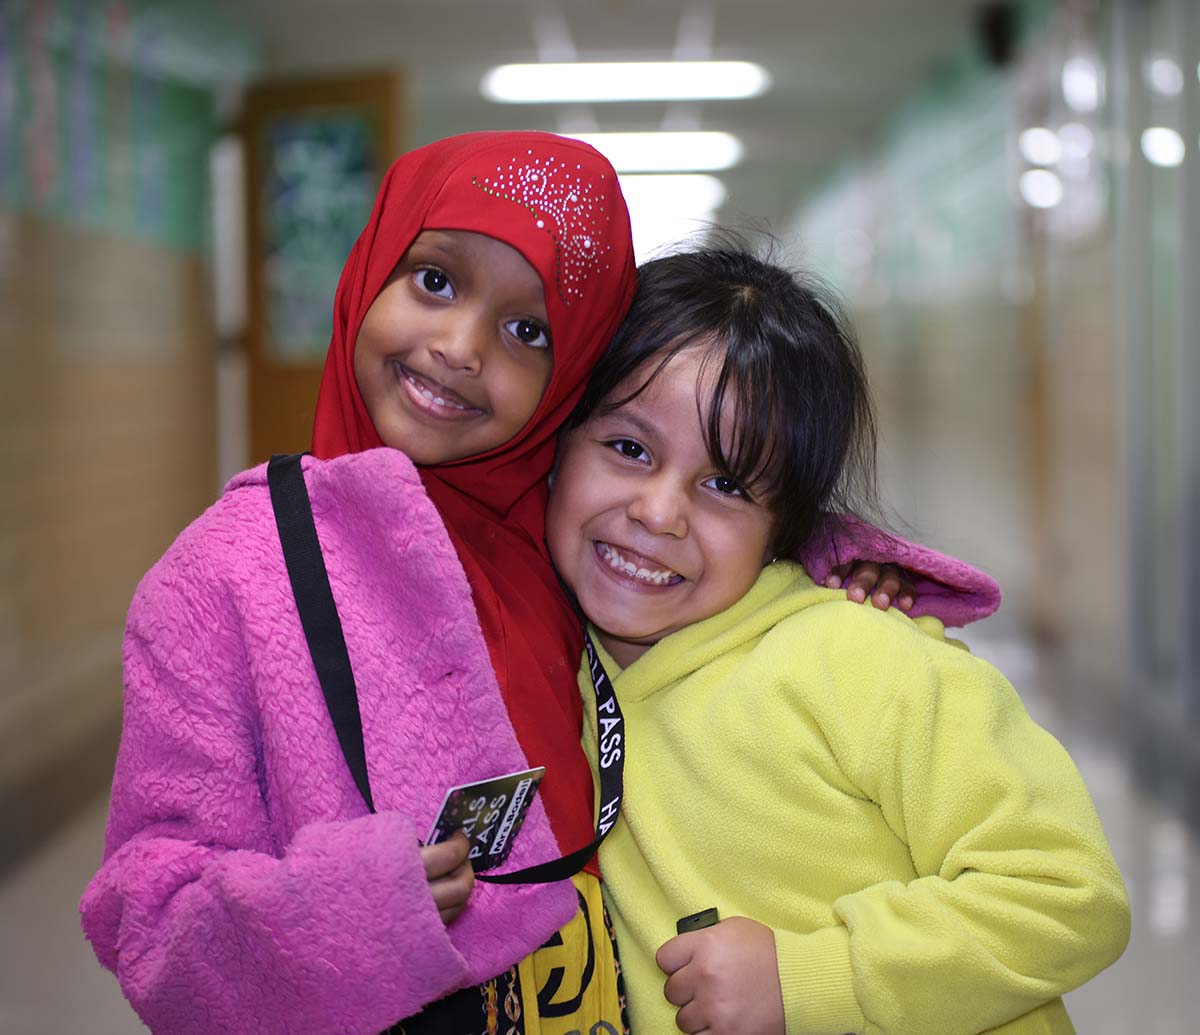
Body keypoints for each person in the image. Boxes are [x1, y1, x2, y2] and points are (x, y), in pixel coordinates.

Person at [80, 132, 992, 1035]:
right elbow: (148, 924)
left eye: (528, 329)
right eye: (433, 279)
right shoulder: (224, 577)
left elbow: (684, 508)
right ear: (370, 269)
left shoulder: (556, 536)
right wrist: (344, 907)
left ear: (568, 385)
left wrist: (824, 560)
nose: (461, 347)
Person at [546, 244, 1131, 1035]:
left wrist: (811, 978)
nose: (658, 511)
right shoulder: (548, 672)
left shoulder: (865, 662)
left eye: (726, 483)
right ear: (552, 448)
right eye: (629, 448)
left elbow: (1069, 893)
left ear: (786, 522)